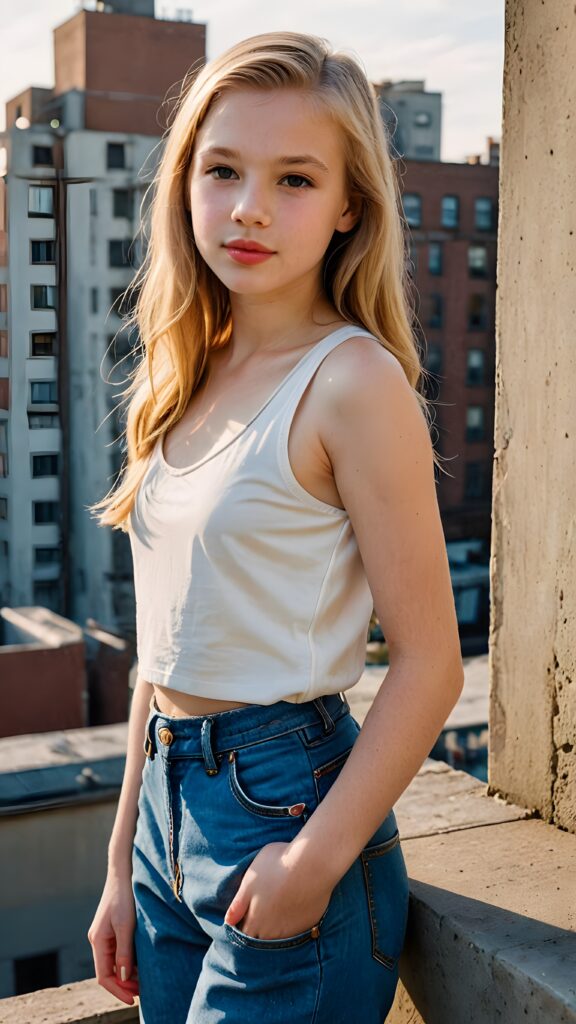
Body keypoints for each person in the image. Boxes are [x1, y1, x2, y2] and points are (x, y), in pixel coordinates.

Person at [87, 30, 464, 1024]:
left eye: (294, 179)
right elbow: (158, 653)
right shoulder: (183, 374)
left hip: (288, 806)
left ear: (349, 207)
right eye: (223, 170)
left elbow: (430, 664)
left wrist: (316, 858)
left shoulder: (351, 381)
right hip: (171, 820)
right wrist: (126, 861)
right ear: (187, 184)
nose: (249, 205)